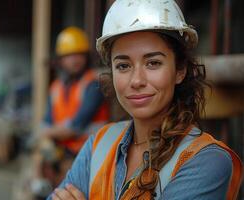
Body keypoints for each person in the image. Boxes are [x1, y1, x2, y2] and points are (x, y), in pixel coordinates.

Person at [48, 0, 243, 200]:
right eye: (123, 66)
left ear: (180, 70)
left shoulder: (207, 160)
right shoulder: (99, 145)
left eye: (153, 63)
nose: (137, 80)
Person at [30, 26, 109, 198]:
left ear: (86, 56)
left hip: (89, 155)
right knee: (40, 159)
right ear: (61, 59)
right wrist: (46, 137)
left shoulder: (93, 83)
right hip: (62, 151)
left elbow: (76, 126)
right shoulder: (56, 87)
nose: (74, 60)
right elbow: (47, 122)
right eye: (68, 55)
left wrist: (47, 133)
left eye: (78, 54)